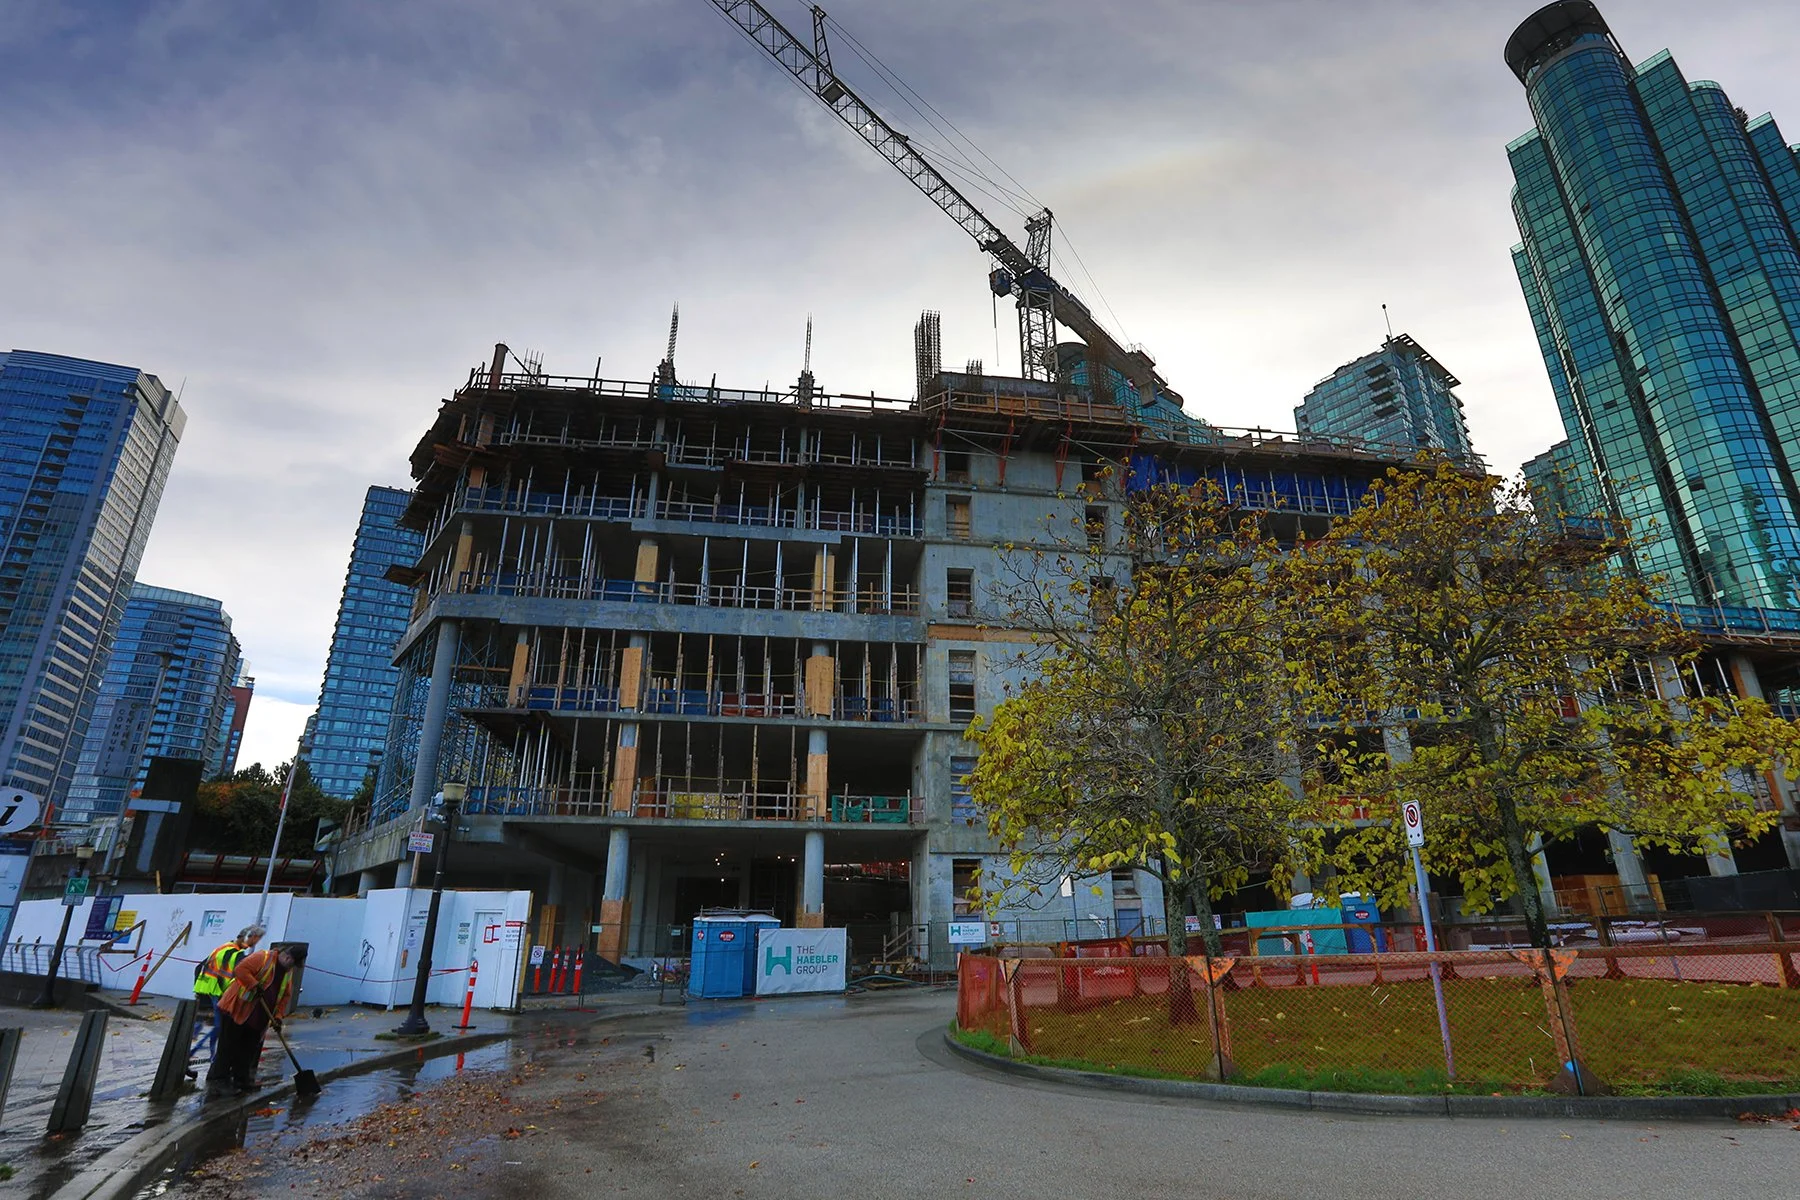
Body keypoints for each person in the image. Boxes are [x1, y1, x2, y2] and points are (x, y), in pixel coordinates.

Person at [206, 944, 295, 1095]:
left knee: (247, 1051)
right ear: (287, 957)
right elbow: (240, 970)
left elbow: (284, 996)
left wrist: (278, 1017)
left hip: (259, 1017)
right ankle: (217, 1081)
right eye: (292, 963)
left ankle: (241, 1081)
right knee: (227, 1047)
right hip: (237, 1009)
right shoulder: (263, 958)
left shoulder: (287, 972)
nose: (292, 967)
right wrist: (254, 984)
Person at [191, 924, 264, 1066]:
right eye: (255, 940)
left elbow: (199, 967)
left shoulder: (224, 947)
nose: (254, 944)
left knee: (216, 1026)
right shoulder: (236, 954)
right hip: (218, 992)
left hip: (206, 990)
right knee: (220, 1027)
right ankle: (208, 1057)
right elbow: (237, 977)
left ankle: (208, 1055)